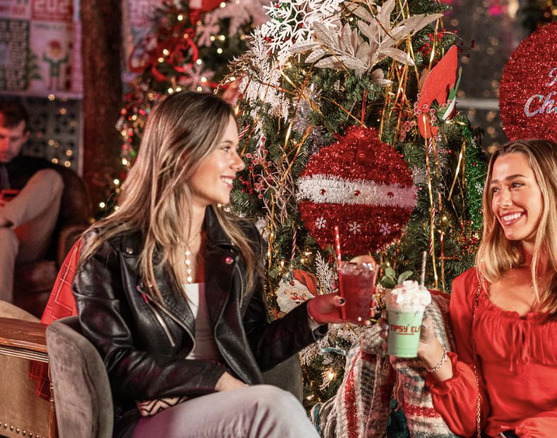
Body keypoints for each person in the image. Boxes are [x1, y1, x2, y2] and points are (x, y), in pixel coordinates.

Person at [72, 91, 354, 437]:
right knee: (272, 407)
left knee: (270, 407)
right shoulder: (111, 248)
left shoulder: (239, 241)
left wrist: (310, 315)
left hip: (227, 411)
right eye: (226, 148)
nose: (239, 163)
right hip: (145, 418)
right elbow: (112, 363)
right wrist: (214, 378)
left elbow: (246, 347)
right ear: (183, 153)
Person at [381, 139, 557, 437]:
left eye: (516, 185)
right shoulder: (472, 288)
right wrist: (432, 352)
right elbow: (472, 419)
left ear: (554, 190)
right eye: (495, 189)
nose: (501, 202)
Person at [0, 101, 64, 303]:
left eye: (14, 139)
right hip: (3, 243)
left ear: (25, 137)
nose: (6, 146)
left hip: (27, 245)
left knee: (51, 178)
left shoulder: (36, 168)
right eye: (1, 137)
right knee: (3, 236)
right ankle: (4, 317)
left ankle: (3, 218)